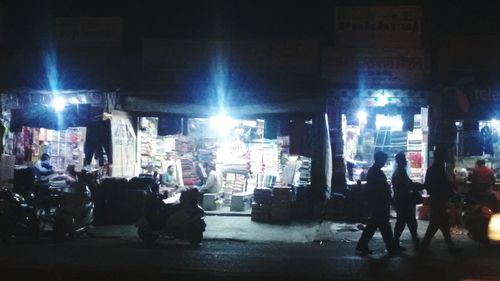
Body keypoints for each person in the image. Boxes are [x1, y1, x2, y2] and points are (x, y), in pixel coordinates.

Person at [419, 148, 461, 255]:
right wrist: (452, 194)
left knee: (442, 224)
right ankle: (424, 247)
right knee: (437, 224)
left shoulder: (433, 169)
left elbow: (430, 185)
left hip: (437, 199)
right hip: (438, 200)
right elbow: (444, 185)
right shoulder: (438, 169)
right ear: (441, 157)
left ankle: (450, 247)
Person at [355, 151, 398, 255]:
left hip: (377, 203)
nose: (384, 163)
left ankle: (362, 245)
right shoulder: (376, 172)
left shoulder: (374, 171)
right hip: (379, 203)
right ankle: (390, 246)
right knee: (382, 225)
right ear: (379, 160)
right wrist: (391, 201)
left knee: (375, 225)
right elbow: (382, 190)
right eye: (383, 160)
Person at [392, 152, 421, 251]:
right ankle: (415, 243)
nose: (405, 161)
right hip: (403, 201)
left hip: (400, 200)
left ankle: (397, 242)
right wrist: (420, 186)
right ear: (400, 161)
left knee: (404, 222)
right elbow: (409, 184)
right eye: (404, 159)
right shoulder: (400, 172)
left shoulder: (398, 171)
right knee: (408, 222)